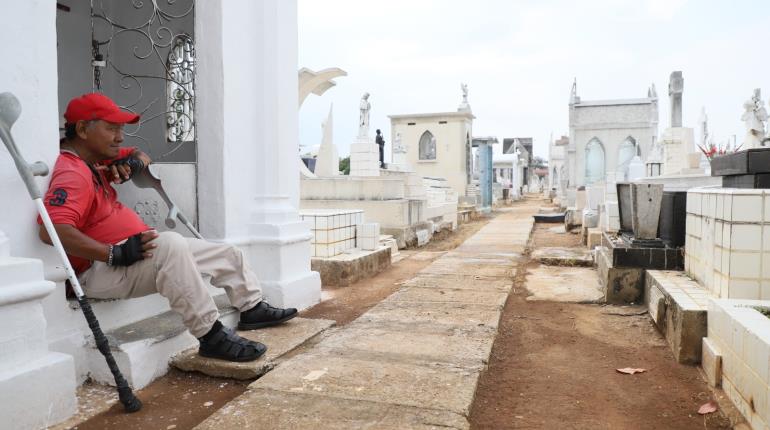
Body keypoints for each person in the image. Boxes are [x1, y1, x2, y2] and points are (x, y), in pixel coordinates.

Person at [38, 93, 297, 362]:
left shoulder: (95, 160)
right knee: (171, 243)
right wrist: (113, 253)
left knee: (226, 253)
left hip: (135, 254)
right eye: (111, 128)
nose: (120, 137)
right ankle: (211, 335)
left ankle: (252, 308)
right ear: (82, 129)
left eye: (121, 129)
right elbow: (51, 229)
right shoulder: (73, 172)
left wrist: (132, 162)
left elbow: (141, 155)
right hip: (99, 271)